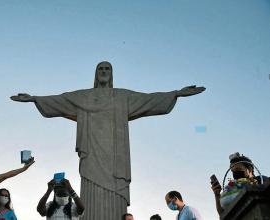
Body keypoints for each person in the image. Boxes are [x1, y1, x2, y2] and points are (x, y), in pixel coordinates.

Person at [11, 61, 205, 220]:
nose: (104, 71)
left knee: (115, 198)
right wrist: (34, 98)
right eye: (100, 69)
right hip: (91, 154)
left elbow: (149, 99)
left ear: (111, 74)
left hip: (115, 158)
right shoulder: (84, 96)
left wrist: (176, 93)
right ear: (96, 74)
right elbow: (61, 100)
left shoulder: (121, 96)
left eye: (107, 69)